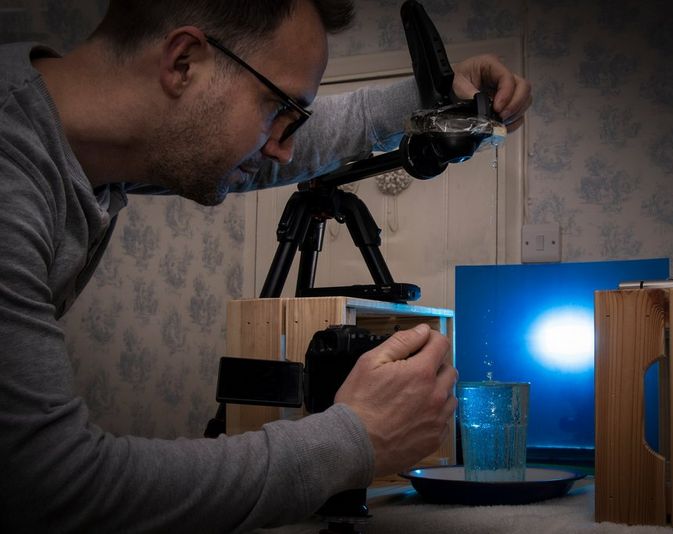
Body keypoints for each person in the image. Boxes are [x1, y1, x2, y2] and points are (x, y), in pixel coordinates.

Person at [0, 0, 532, 531]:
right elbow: (52, 487)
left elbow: (292, 148)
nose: (283, 150)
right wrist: (354, 439)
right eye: (278, 108)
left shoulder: (76, 143)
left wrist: (429, 97)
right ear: (184, 62)